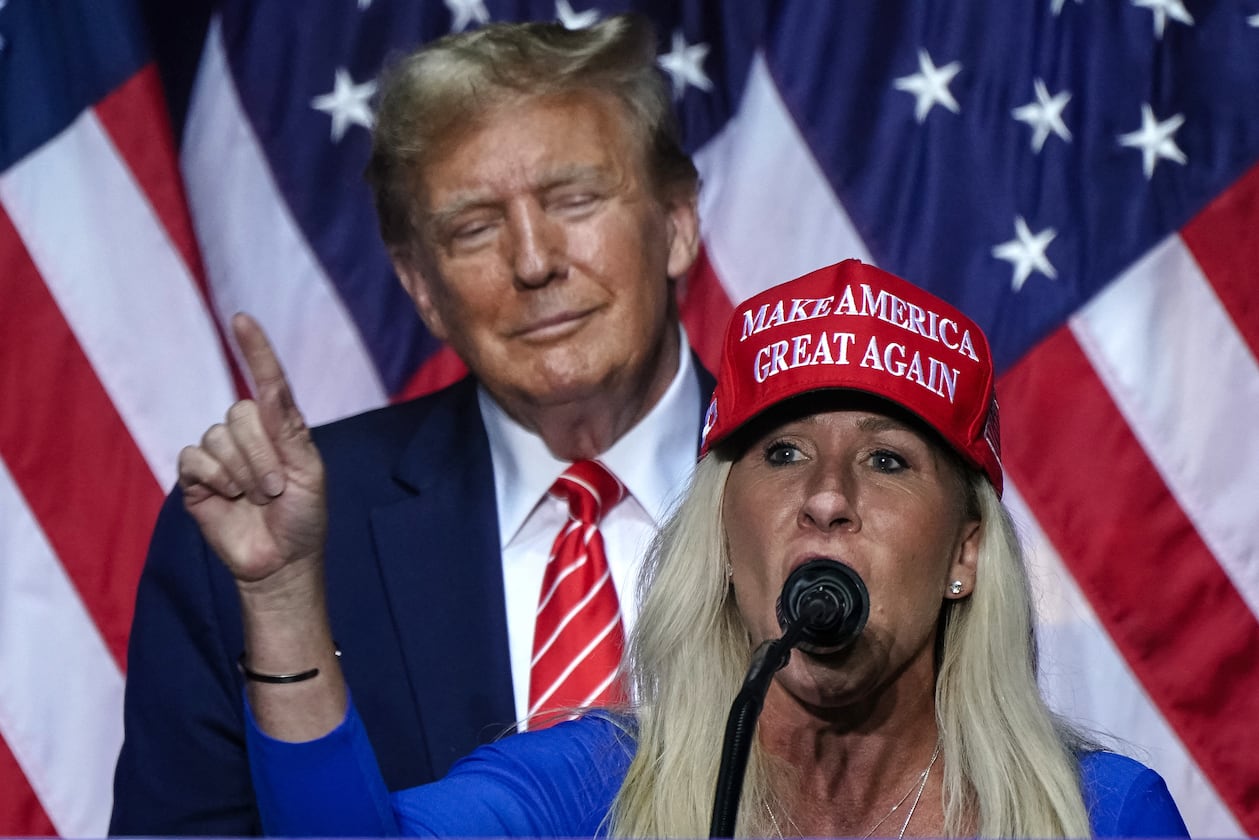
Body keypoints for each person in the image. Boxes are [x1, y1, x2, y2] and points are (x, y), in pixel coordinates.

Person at [232, 259, 1189, 837]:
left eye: (888, 461)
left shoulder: (1101, 816)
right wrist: (279, 598)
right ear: (726, 536)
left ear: (964, 557)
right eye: (783, 454)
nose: (827, 497)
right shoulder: (595, 790)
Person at [110, 14, 713, 836]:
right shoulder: (256, 547)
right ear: (421, 287)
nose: (533, 261)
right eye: (474, 227)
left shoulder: (829, 499)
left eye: (574, 199)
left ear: (677, 222)